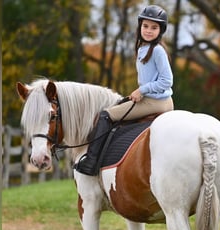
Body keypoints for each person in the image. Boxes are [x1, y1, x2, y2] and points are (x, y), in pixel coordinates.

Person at [74, 5, 174, 175]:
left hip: (156, 102)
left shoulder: (157, 51)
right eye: (146, 26)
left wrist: (142, 90)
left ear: (161, 30)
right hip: (151, 99)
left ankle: (91, 163)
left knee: (106, 115)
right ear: (140, 27)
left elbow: (167, 81)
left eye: (154, 27)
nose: (149, 31)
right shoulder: (143, 48)